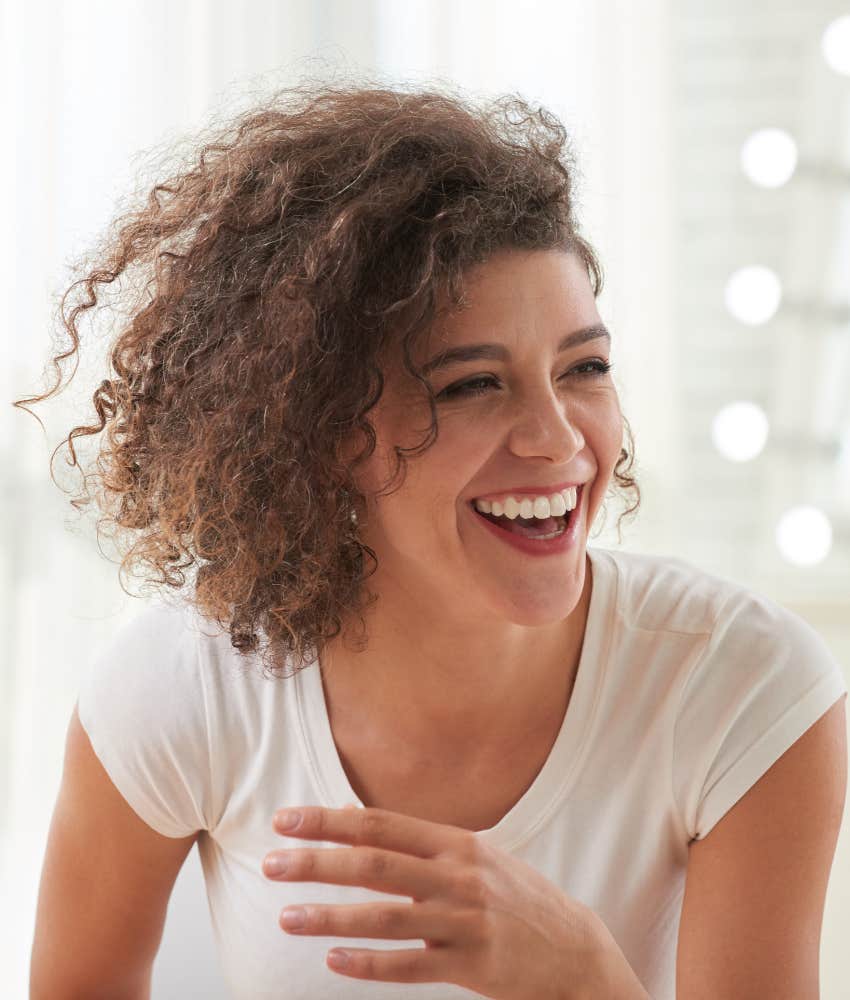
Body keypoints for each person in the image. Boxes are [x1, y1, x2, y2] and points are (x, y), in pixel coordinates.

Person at [22, 80, 847, 1000]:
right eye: (471, 385)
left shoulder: (743, 690)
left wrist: (584, 981)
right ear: (325, 432)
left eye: (586, 368)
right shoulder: (186, 688)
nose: (559, 439)